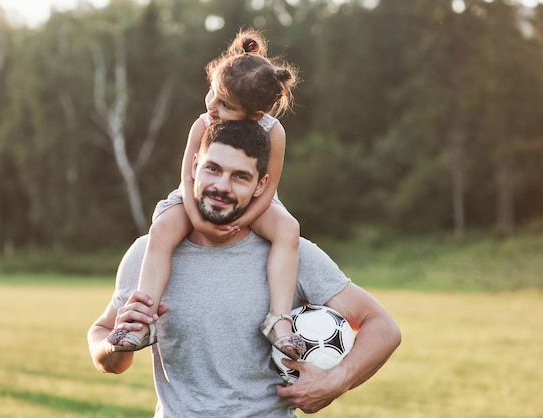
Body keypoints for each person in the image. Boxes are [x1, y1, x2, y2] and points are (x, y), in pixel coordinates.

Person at [88, 120, 401, 417]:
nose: (221, 186)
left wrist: (336, 381)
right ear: (194, 167)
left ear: (260, 185)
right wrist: (113, 346)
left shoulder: (291, 254)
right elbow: (106, 346)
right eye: (213, 169)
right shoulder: (150, 253)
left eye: (239, 176)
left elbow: (382, 327)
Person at [107, 28, 305, 359]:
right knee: (162, 229)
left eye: (224, 104)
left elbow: (268, 186)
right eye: (212, 93)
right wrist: (199, 220)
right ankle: (142, 319)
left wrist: (243, 220)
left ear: (254, 115)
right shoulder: (203, 123)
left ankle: (279, 320)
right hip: (196, 196)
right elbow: (188, 177)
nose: (211, 105)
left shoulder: (273, 131)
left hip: (251, 200)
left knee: (289, 230)